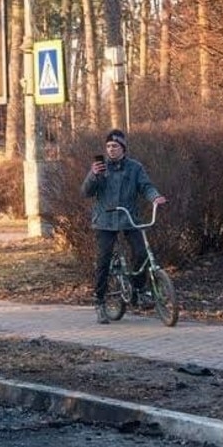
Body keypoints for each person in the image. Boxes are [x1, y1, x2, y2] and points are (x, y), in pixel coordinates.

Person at [81, 129, 168, 324]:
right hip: (105, 220)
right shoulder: (101, 168)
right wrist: (93, 176)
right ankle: (100, 302)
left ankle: (138, 290)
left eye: (115, 146)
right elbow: (86, 192)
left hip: (129, 218)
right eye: (109, 146)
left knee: (141, 252)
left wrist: (155, 197)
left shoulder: (135, 168)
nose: (111, 150)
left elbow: (146, 186)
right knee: (103, 261)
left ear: (123, 148)